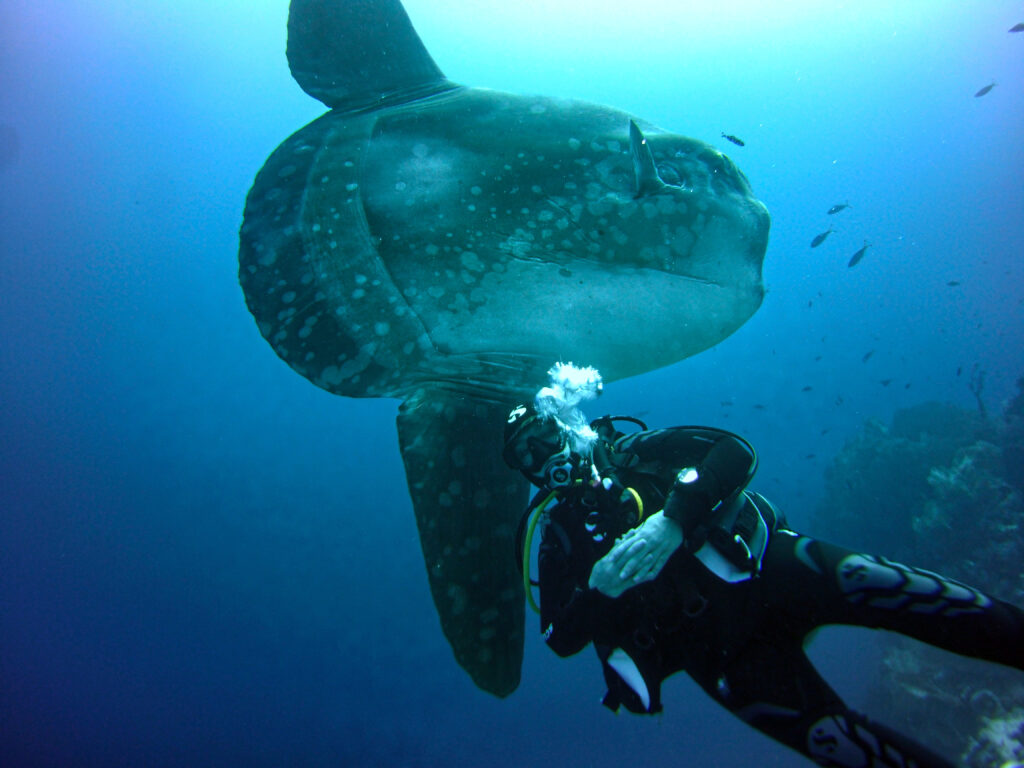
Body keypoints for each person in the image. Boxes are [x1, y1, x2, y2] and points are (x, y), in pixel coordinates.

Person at [503, 363, 1024, 768]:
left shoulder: (632, 451)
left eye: (545, 439)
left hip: (773, 571)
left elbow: (735, 450)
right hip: (720, 656)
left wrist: (673, 521)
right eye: (527, 459)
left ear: (564, 424)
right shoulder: (559, 539)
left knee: (920, 596)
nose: (545, 460)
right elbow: (557, 637)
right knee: (841, 745)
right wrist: (597, 590)